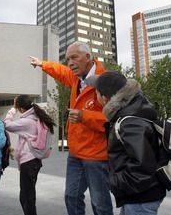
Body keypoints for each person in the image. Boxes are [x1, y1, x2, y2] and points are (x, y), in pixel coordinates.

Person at [30, 41, 113, 215]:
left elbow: (112, 118)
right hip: (75, 154)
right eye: (68, 59)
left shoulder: (105, 81)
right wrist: (43, 64)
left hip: (96, 156)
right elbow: (61, 71)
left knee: (100, 202)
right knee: (71, 197)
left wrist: (85, 116)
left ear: (88, 57)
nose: (70, 63)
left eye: (74, 57)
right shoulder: (77, 77)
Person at [84, 71, 166, 215]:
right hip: (138, 194)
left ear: (105, 98)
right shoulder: (132, 112)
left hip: (141, 197)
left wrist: (113, 182)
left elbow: (142, 167)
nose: (95, 97)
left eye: (96, 93)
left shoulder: (130, 121)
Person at [3, 95, 56, 215]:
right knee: (27, 195)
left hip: (29, 161)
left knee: (27, 196)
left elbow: (7, 125)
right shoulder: (36, 118)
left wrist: (12, 110)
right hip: (34, 161)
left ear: (21, 108)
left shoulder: (27, 122)